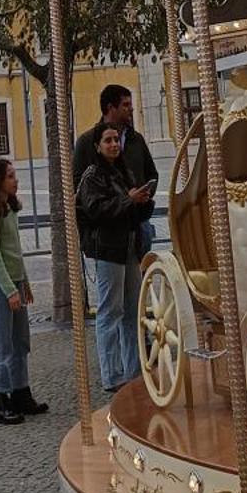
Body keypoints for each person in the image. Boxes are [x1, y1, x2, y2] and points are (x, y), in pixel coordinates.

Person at [76, 119, 149, 394]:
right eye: (108, 140)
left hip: (129, 245)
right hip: (108, 249)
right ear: (98, 145)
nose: (114, 144)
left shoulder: (123, 171)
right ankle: (111, 373)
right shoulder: (93, 175)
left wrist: (142, 200)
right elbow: (97, 210)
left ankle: (134, 370)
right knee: (110, 311)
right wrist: (128, 200)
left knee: (132, 310)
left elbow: (129, 208)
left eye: (116, 140)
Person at [0, 157, 47, 425]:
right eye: (10, 176)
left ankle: (20, 391)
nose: (16, 180)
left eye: (15, 175)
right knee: (1, 344)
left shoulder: (9, 209)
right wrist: (9, 290)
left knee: (20, 342)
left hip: (14, 283)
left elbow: (15, 251)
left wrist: (24, 282)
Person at [74, 85, 158, 259]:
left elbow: (151, 173)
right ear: (111, 108)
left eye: (116, 141)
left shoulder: (136, 140)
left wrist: (144, 196)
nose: (131, 109)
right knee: (112, 283)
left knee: (137, 279)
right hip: (107, 232)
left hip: (137, 224)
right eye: (126, 105)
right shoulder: (87, 142)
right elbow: (79, 188)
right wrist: (124, 199)